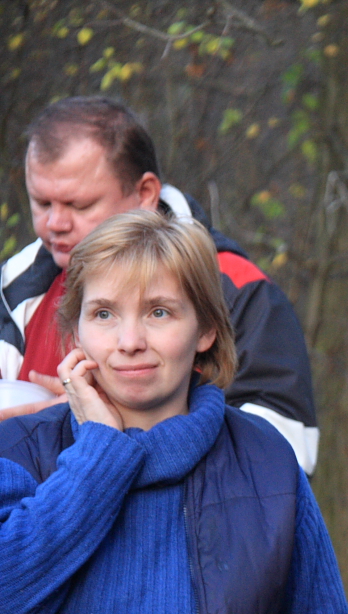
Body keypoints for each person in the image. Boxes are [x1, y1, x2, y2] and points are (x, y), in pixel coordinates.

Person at [0, 210, 348, 614]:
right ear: (77, 332)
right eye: (104, 314)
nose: (129, 341)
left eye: (159, 313)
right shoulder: (18, 451)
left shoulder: (263, 462)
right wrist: (100, 451)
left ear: (206, 330)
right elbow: (11, 590)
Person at [1, 96, 319, 473]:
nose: (55, 224)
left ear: (146, 194)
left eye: (79, 205)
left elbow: (287, 456)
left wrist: (108, 423)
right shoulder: (17, 286)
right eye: (42, 203)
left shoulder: (237, 288)